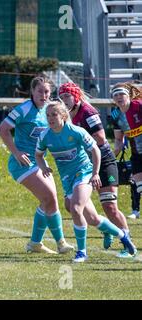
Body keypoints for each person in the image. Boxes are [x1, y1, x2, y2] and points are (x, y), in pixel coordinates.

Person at [35, 101, 137, 262]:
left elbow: (95, 150)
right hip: (67, 178)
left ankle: (82, 252)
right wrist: (44, 167)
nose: (50, 118)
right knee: (92, 218)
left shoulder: (76, 132)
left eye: (54, 114)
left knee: (75, 208)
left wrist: (95, 173)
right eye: (48, 115)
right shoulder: (45, 136)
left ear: (63, 115)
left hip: (84, 172)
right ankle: (122, 235)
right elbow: (39, 155)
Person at [0, 75, 74, 255]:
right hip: (22, 163)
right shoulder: (24, 109)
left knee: (49, 200)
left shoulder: (49, 109)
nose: (44, 94)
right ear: (32, 91)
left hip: (39, 161)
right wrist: (16, 152)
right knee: (49, 197)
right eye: (40, 91)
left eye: (47, 91)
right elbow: (3, 129)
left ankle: (35, 243)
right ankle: (61, 243)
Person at [59, 82, 134, 257]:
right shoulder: (66, 115)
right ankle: (105, 227)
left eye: (67, 96)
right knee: (71, 205)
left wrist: (79, 141)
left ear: (76, 96)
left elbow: (100, 139)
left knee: (109, 206)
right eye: (61, 98)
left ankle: (127, 241)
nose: (64, 101)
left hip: (103, 160)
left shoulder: (88, 112)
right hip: (82, 164)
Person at [111, 83, 142, 220]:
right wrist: (111, 157)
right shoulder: (116, 114)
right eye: (115, 95)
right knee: (137, 183)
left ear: (128, 95)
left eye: (121, 94)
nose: (119, 97)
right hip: (136, 153)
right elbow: (118, 139)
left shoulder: (139, 106)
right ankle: (136, 211)